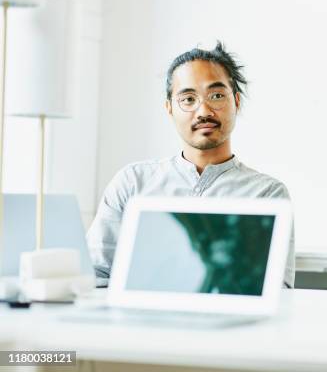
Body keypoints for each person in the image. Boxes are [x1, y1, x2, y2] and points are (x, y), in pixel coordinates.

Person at [87, 43, 295, 288]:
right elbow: (96, 274)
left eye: (216, 96)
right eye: (188, 99)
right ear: (170, 109)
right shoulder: (132, 182)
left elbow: (277, 292)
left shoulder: (266, 194)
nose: (203, 111)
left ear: (236, 102)